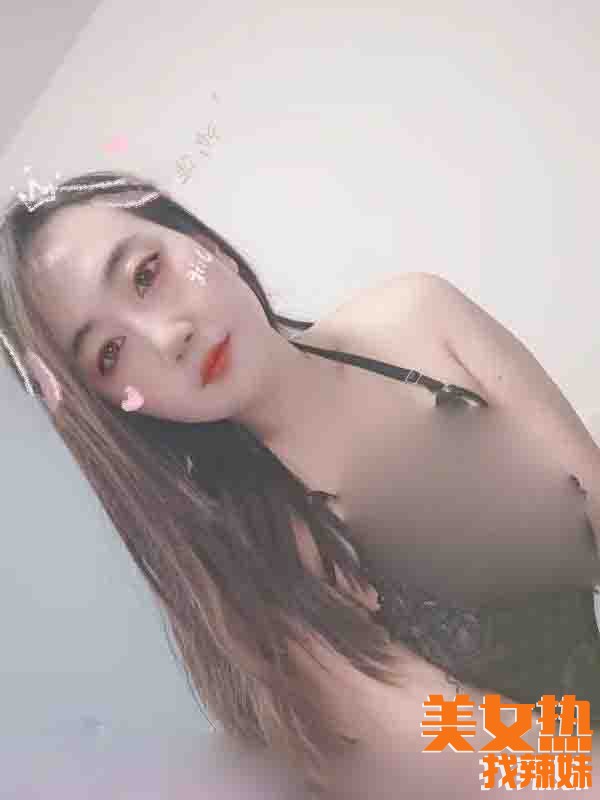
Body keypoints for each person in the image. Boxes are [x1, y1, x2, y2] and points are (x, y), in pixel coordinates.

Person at [1, 169, 599, 797]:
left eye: (146, 274)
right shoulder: (252, 566)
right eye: (109, 354)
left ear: (203, 243)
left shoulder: (419, 320)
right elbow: (486, 760)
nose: (167, 338)